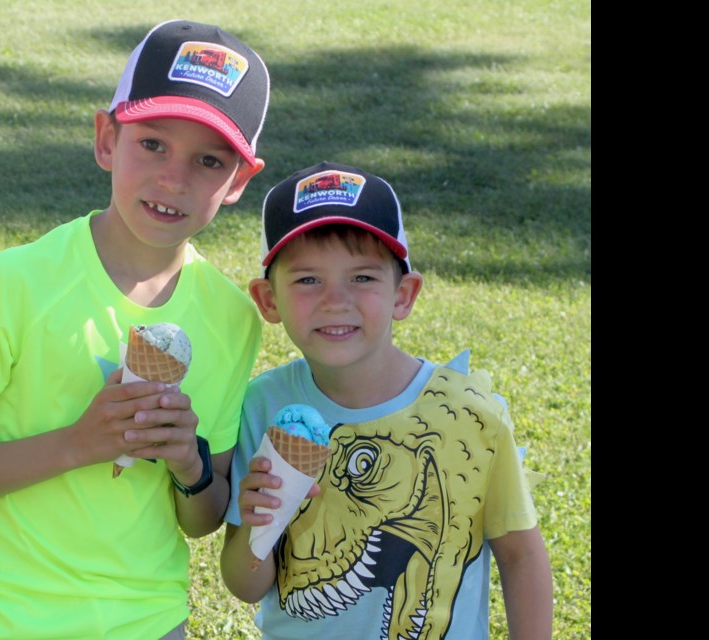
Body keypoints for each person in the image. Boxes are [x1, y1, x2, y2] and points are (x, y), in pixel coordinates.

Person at [0, 20, 269, 640]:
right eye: (152, 144)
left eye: (208, 161)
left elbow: (199, 519)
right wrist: (78, 443)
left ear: (238, 180)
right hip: (4, 621)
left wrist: (190, 464)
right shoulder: (17, 283)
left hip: (150, 622)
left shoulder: (233, 319)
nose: (173, 179)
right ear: (107, 139)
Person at [220, 162, 553, 640]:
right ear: (268, 300)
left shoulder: (473, 415)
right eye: (308, 280)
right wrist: (259, 525)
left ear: (404, 293)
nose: (336, 300)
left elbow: (521, 557)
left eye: (362, 278)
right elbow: (244, 585)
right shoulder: (263, 403)